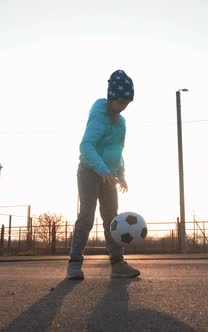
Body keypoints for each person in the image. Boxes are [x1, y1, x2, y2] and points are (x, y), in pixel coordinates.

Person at [66, 69, 140, 280]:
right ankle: (74, 263)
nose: (123, 107)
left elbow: (117, 151)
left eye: (127, 103)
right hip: (89, 171)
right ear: (111, 98)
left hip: (109, 174)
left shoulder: (121, 122)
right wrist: (103, 170)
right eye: (121, 103)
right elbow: (86, 146)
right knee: (87, 216)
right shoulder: (99, 118)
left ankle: (117, 263)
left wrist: (121, 173)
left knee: (112, 218)